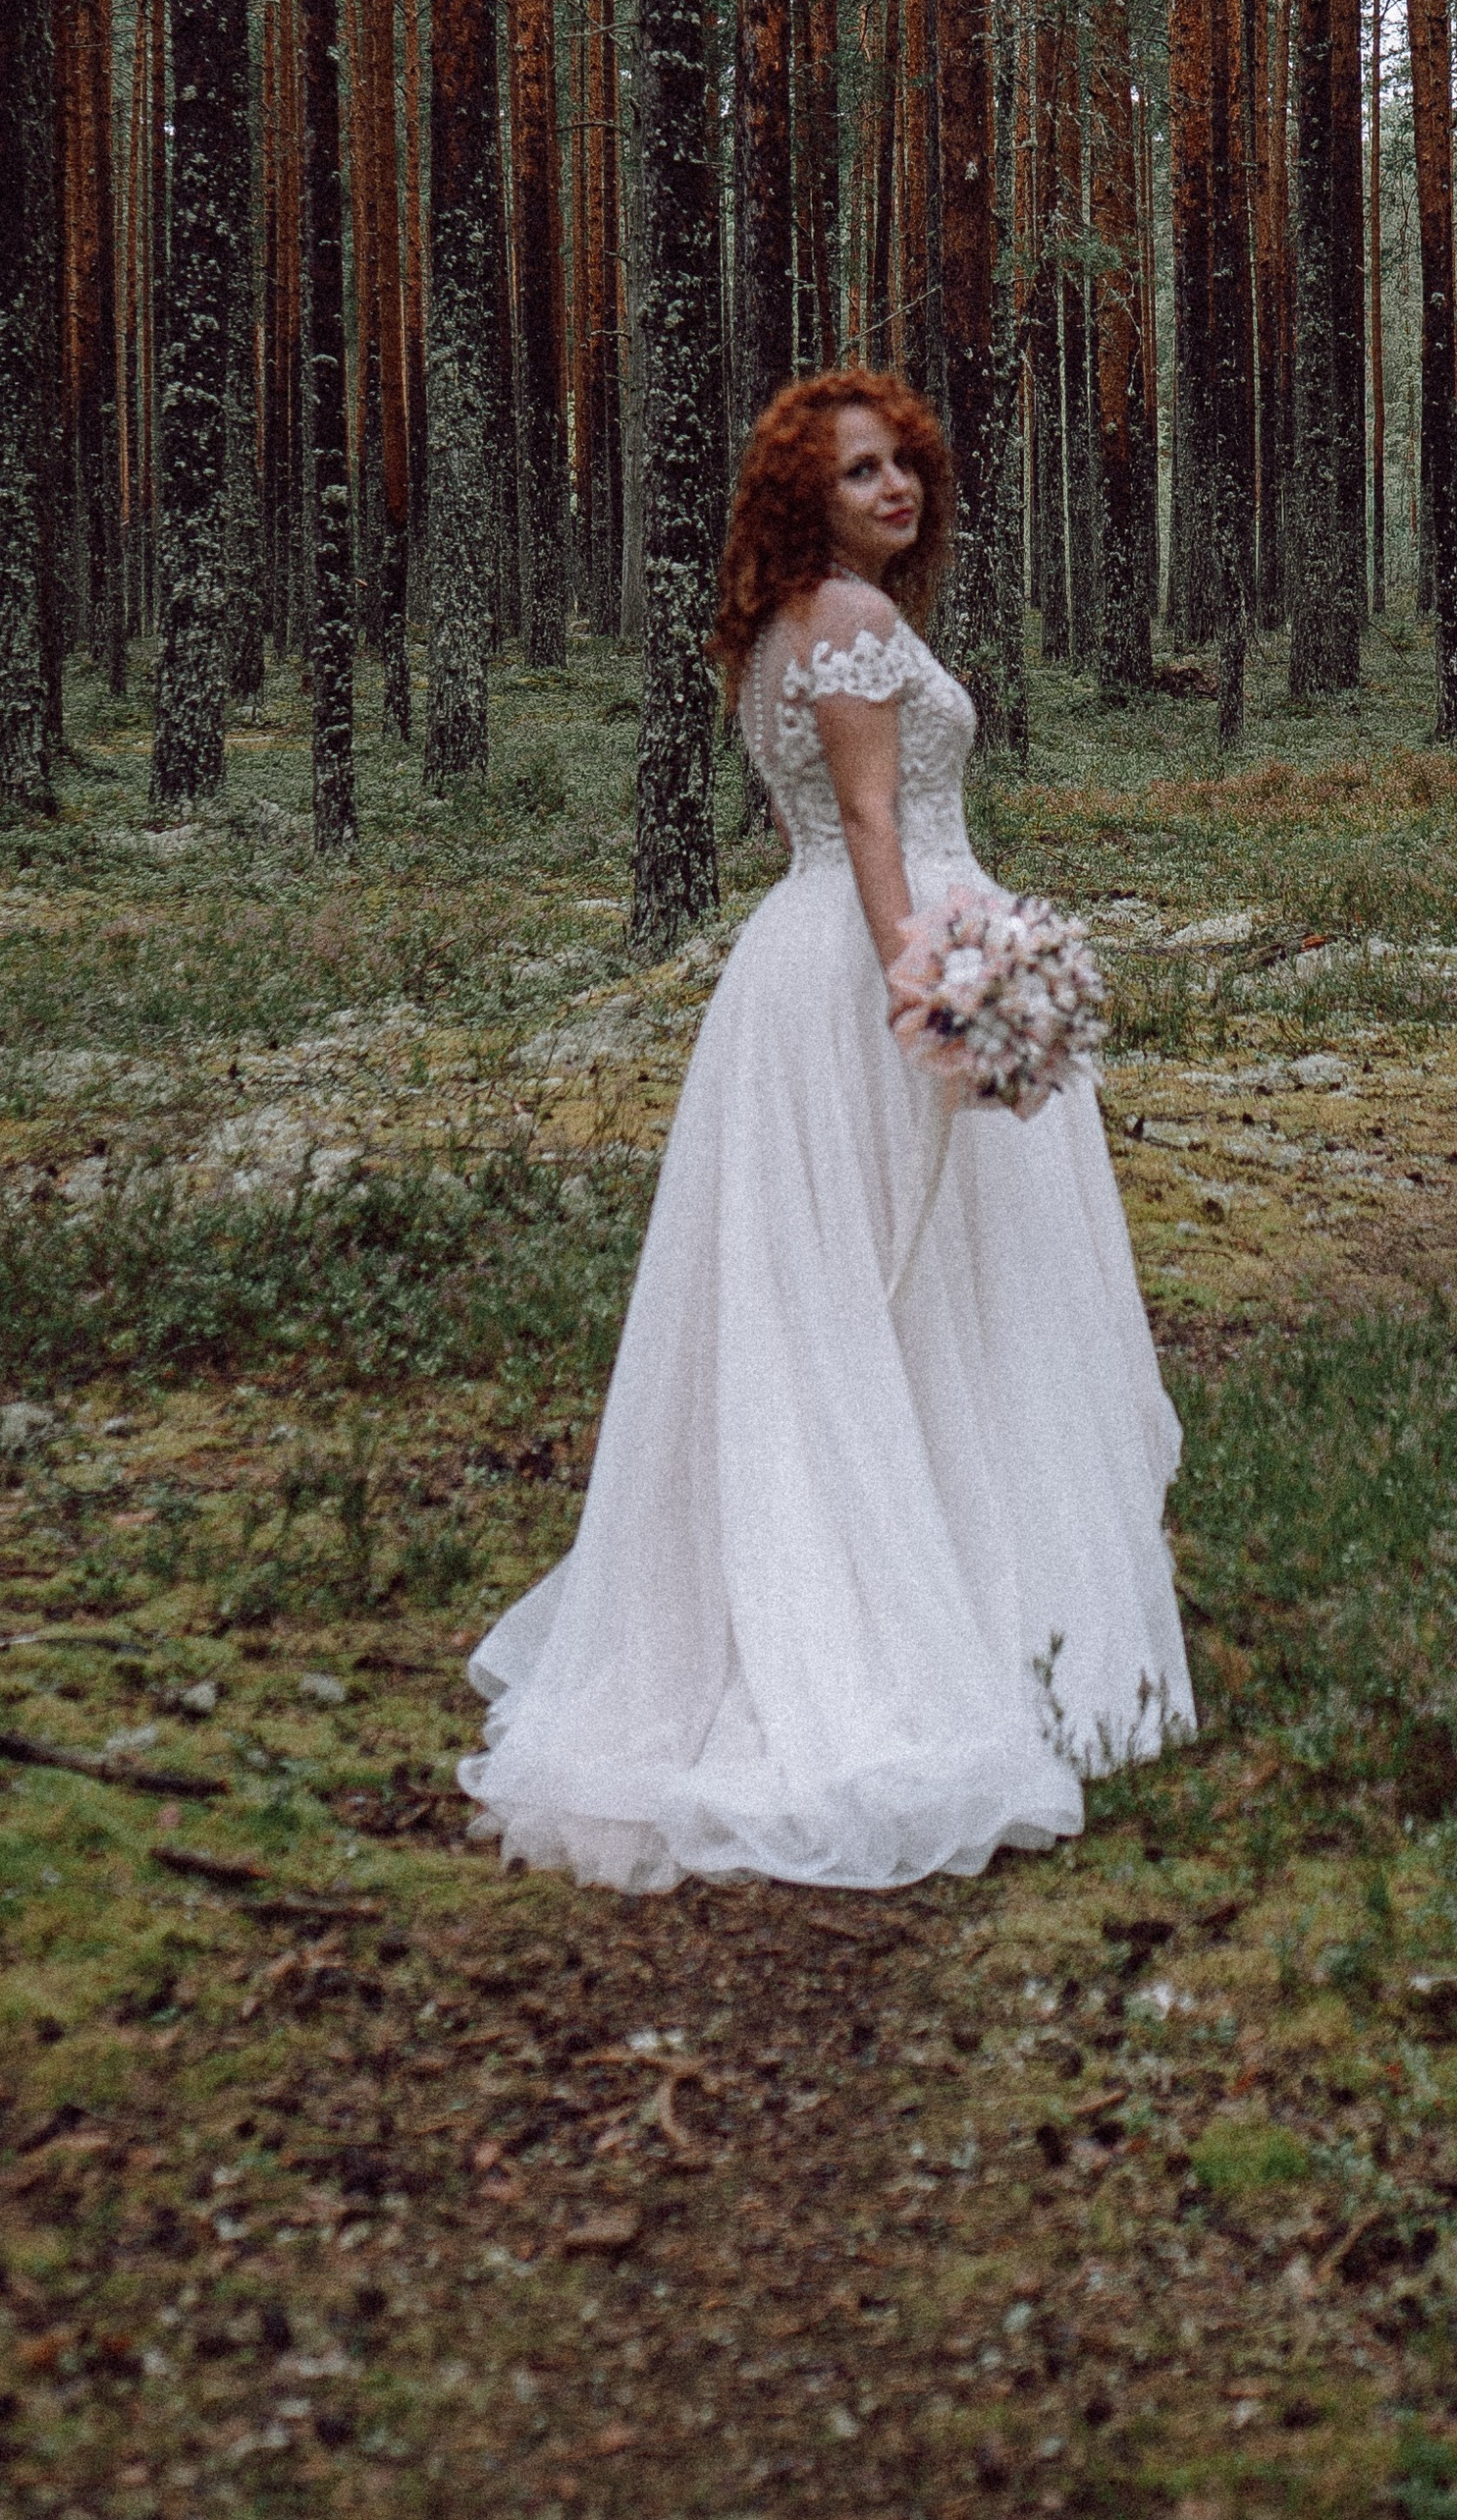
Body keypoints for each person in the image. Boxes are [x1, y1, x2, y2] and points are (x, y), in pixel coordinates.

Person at [459, 367, 1192, 1892]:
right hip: (875, 958)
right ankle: (942, 1622)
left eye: (903, 463)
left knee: (870, 1299)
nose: (893, 487)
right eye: (859, 471)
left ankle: (927, 1580)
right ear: (808, 495)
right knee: (919, 1291)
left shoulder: (790, 624)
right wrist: (932, 990)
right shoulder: (848, 622)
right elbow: (868, 822)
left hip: (815, 968)